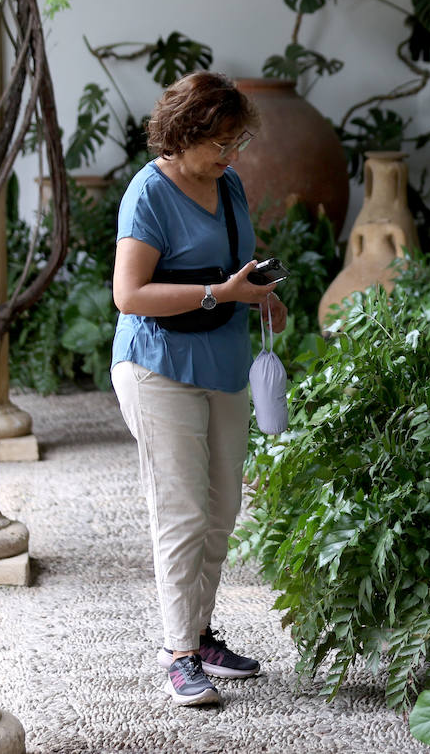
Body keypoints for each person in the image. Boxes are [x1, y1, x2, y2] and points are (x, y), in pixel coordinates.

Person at [110, 71, 287, 707]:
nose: (229, 155)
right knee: (181, 509)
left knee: (222, 509)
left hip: (224, 361)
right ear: (183, 135)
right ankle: (179, 653)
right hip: (158, 367)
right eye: (218, 142)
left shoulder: (229, 183)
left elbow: (236, 261)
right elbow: (128, 295)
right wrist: (220, 293)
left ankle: (201, 632)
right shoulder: (148, 195)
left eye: (236, 142)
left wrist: (260, 295)